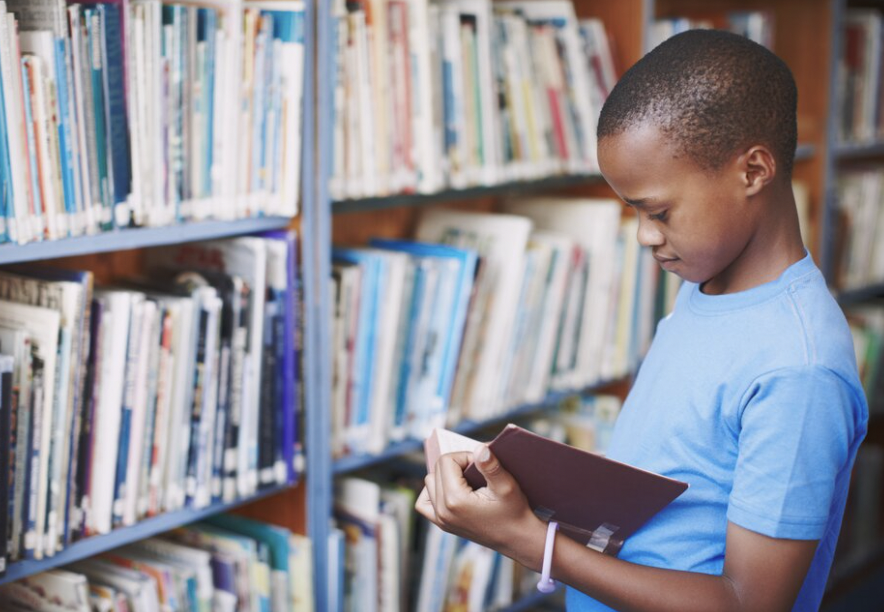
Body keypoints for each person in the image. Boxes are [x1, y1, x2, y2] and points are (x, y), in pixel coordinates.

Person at [416, 29, 868, 612]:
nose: (644, 236)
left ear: (753, 171)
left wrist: (530, 541)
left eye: (658, 211)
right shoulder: (705, 287)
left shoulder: (799, 369)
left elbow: (748, 602)